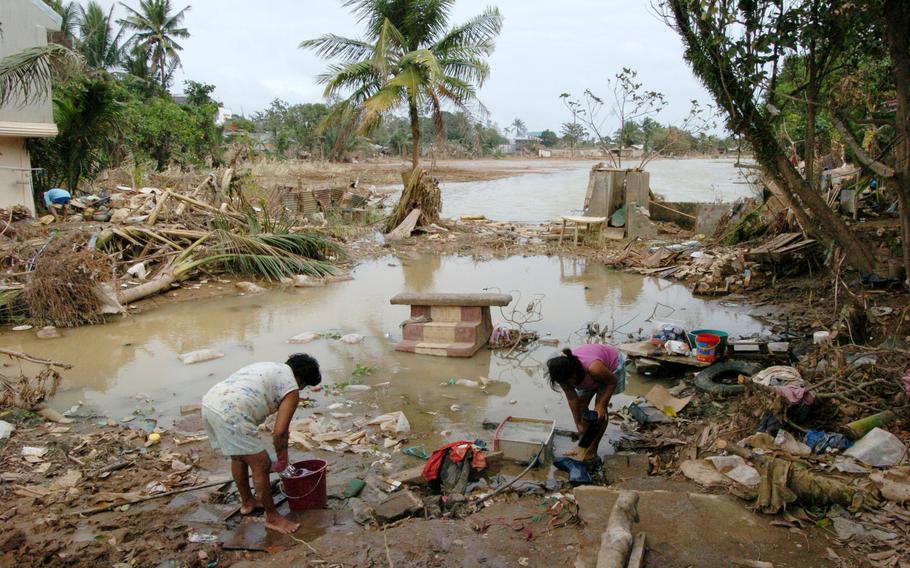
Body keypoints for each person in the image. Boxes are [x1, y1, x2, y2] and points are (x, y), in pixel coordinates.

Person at [202, 354, 321, 534]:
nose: (301, 389)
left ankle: (248, 502)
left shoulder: (269, 367)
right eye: (304, 386)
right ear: (301, 380)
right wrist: (283, 458)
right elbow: (280, 432)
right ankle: (272, 518)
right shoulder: (292, 389)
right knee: (262, 464)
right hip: (232, 413)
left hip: (210, 403)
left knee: (239, 456)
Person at [546, 345, 626, 461]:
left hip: (610, 370)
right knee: (581, 406)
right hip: (586, 375)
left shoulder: (594, 368)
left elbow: (611, 382)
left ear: (574, 373)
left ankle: (592, 451)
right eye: (566, 383)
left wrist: (601, 405)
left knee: (598, 414)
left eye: (570, 381)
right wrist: (578, 423)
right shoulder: (562, 376)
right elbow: (573, 399)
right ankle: (582, 447)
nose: (570, 385)